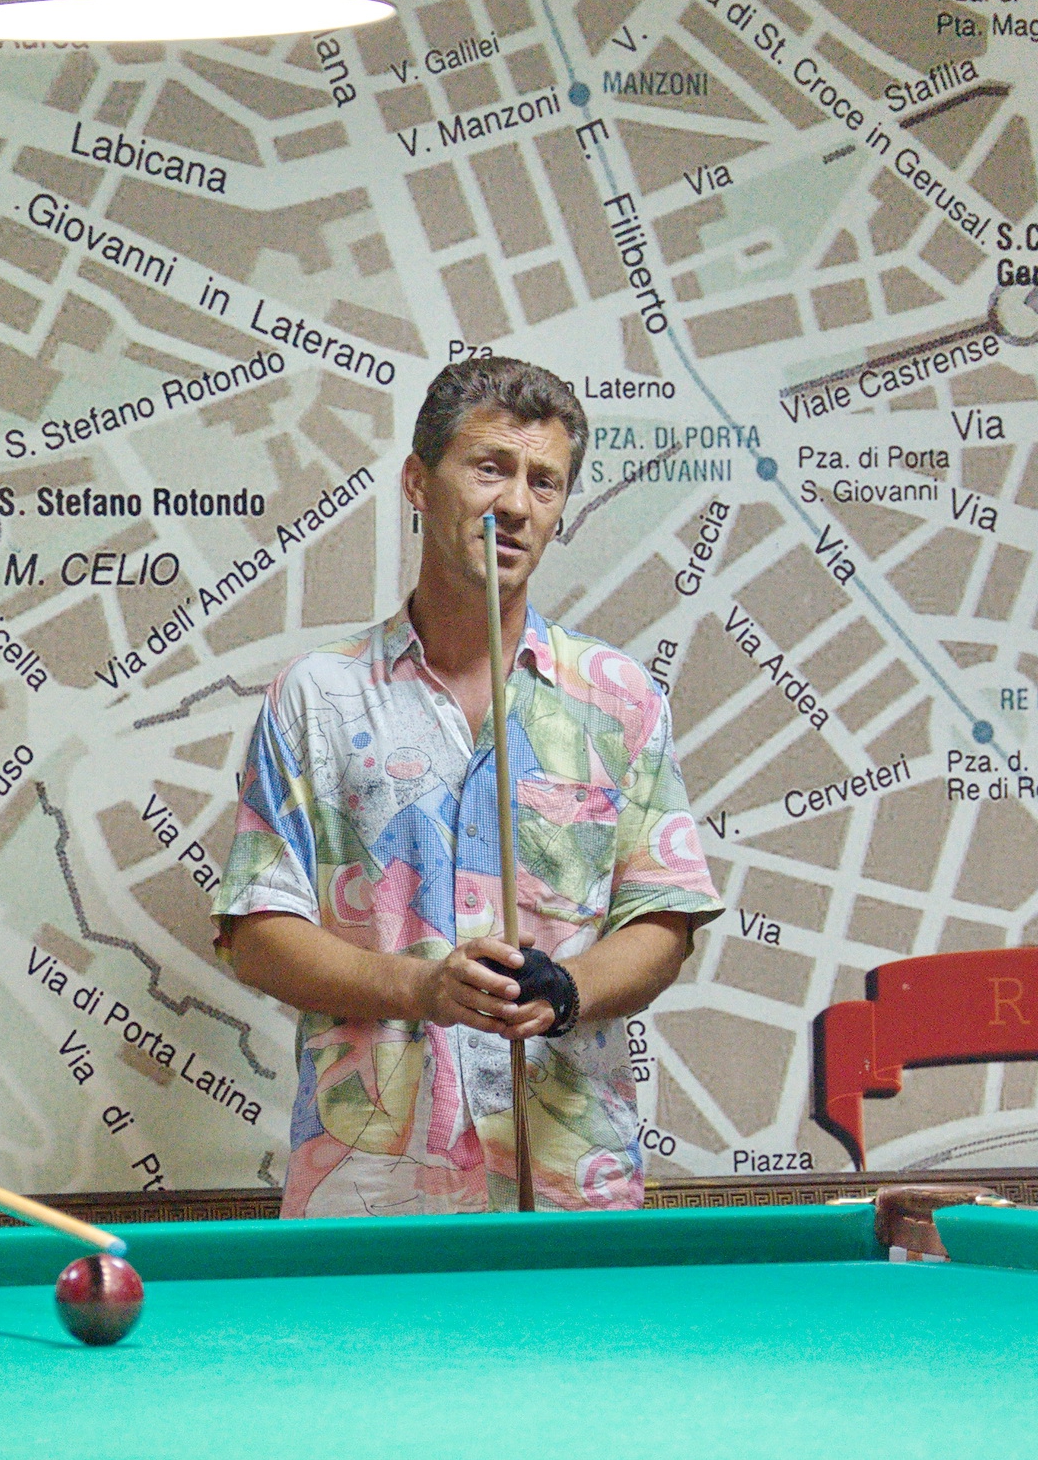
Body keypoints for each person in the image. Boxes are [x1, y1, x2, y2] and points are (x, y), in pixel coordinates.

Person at [215, 356, 722, 1215]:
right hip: (371, 1188)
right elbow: (258, 934)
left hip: (569, 1184)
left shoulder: (620, 698)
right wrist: (423, 989)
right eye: (490, 469)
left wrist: (569, 992)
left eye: (544, 482)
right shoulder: (317, 696)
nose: (516, 504)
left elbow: (663, 924)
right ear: (419, 483)